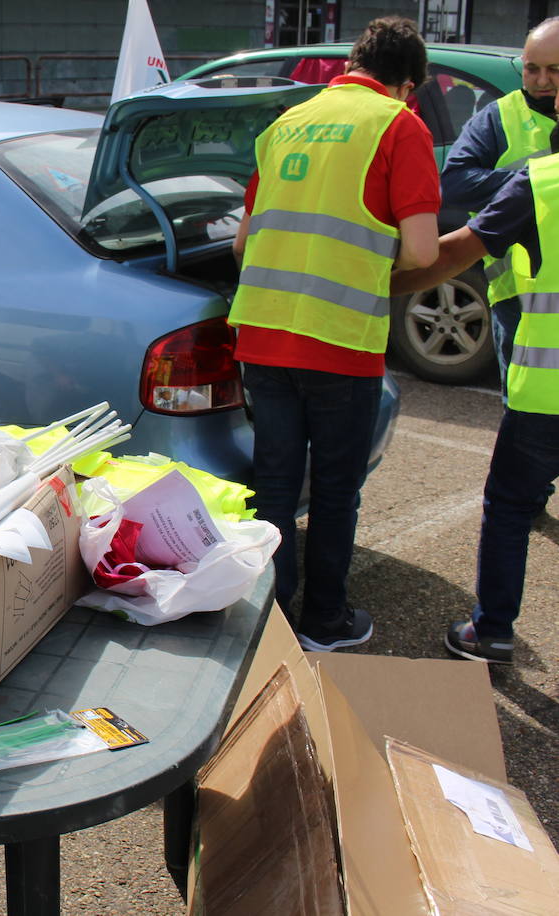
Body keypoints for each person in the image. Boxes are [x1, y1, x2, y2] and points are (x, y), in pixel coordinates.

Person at [228, 17, 441, 652]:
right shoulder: (400, 125)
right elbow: (424, 251)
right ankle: (325, 621)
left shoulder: (286, 123)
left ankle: (270, 621)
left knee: (273, 483)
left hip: (262, 334)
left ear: (351, 64)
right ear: (408, 84)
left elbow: (243, 243)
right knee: (334, 491)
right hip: (339, 340)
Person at [392, 155, 559, 665]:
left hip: (547, 396)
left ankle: (490, 634)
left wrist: (367, 286)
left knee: (510, 507)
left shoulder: (544, 181)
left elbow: (452, 256)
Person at [442, 18, 559, 387]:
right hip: (517, 298)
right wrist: (534, 185)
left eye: (555, 70)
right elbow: (455, 183)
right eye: (532, 69)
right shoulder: (500, 116)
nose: (541, 81)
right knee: (524, 406)